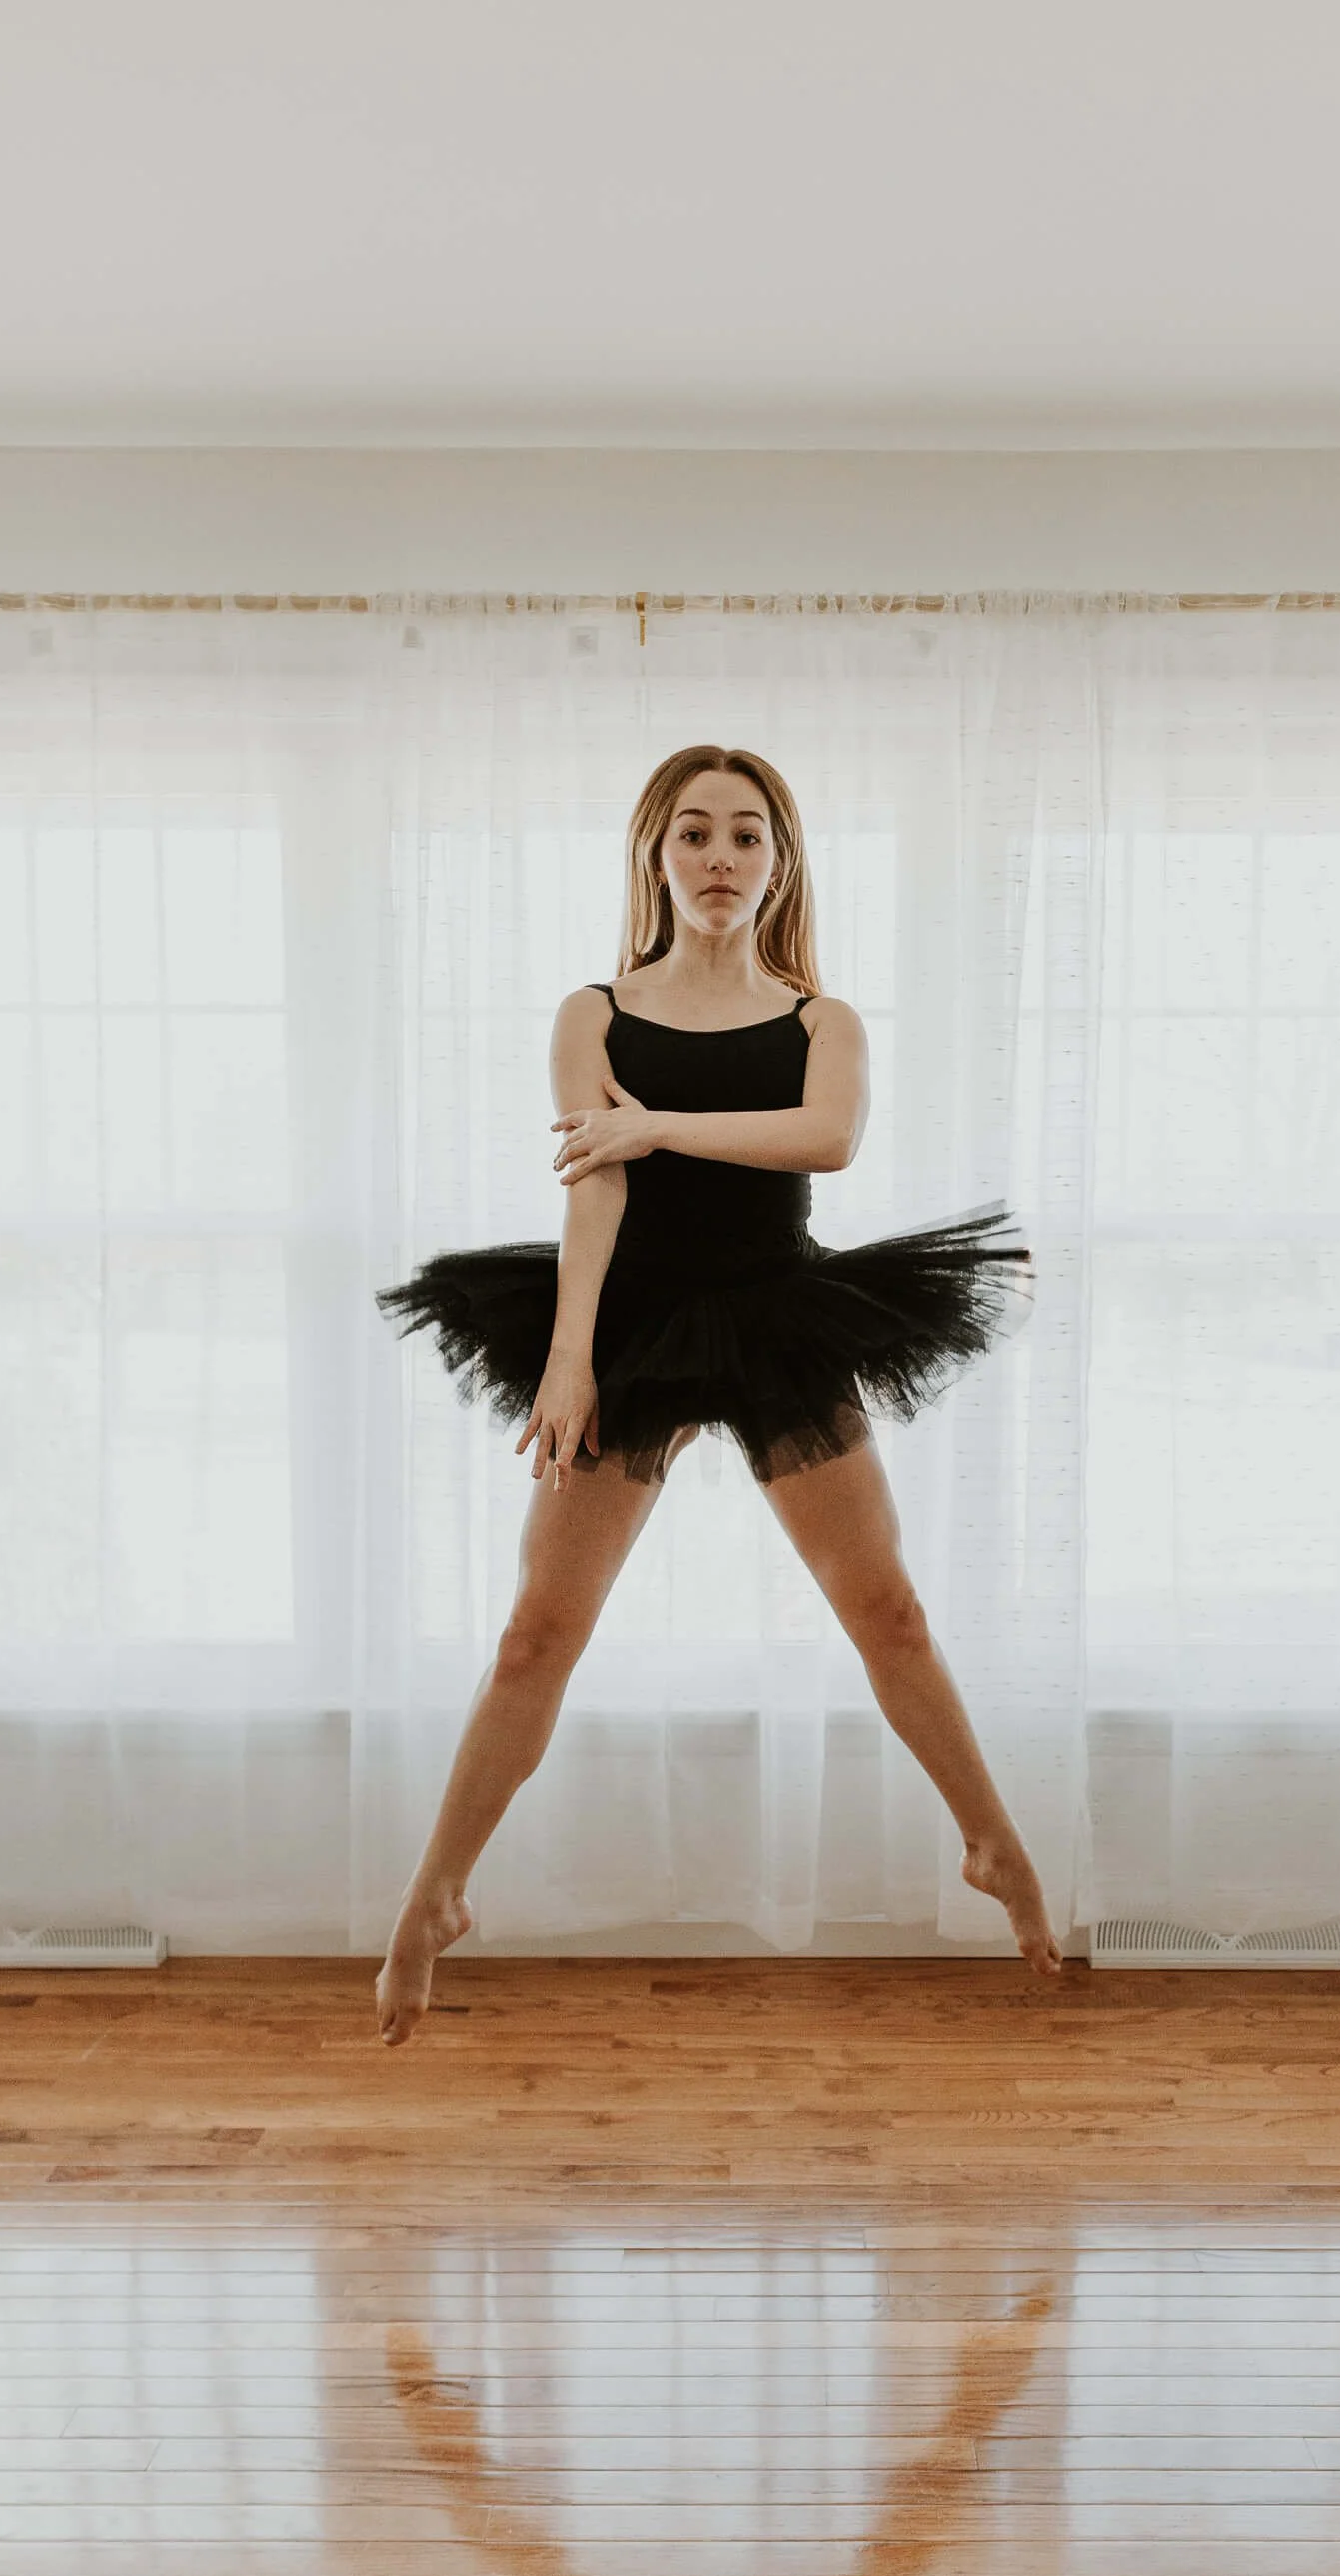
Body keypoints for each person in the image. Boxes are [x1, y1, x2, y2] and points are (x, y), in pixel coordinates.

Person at [371, 742, 1063, 2041]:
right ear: (655, 854)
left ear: (781, 862)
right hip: (628, 1320)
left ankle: (990, 1842)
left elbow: (829, 1139)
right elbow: (597, 1184)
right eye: (695, 834)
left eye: (748, 837)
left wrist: (658, 1125)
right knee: (537, 1631)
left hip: (776, 1310)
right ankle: (435, 1893)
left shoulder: (821, 1022)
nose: (722, 860)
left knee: (889, 1611)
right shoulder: (596, 1014)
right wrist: (572, 1352)